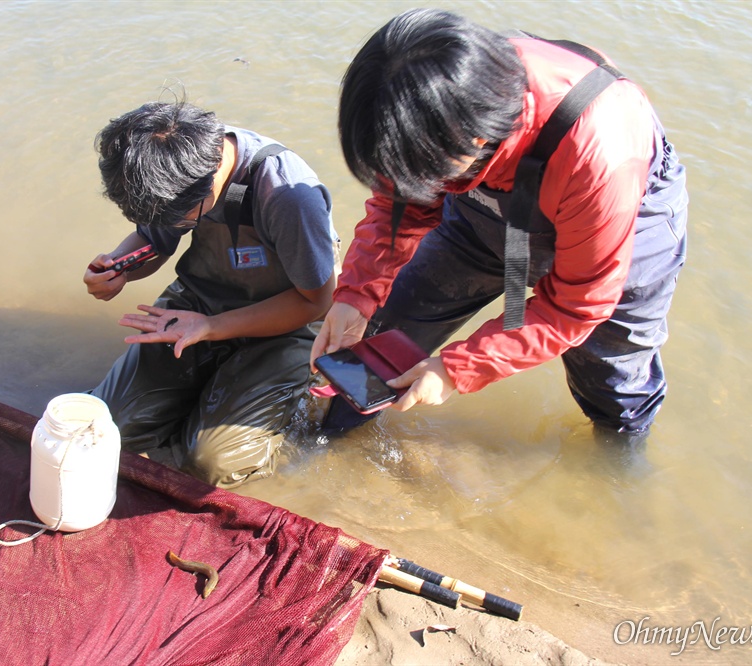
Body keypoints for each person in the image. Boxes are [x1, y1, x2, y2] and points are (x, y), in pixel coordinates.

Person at [311, 9, 688, 438]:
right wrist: (355, 295)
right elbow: (399, 207)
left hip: (616, 229)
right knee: (387, 334)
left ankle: (617, 463)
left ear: (472, 143)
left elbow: (573, 308)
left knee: (611, 382)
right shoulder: (425, 113)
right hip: (483, 217)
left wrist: (454, 370)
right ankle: (334, 437)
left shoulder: (601, 152)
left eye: (416, 171)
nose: (403, 182)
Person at [85, 100, 338, 487]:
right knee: (108, 429)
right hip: (199, 301)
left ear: (208, 184)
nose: (162, 224)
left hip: (288, 319)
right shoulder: (169, 168)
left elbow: (317, 301)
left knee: (211, 465)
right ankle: (199, 403)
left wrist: (213, 327)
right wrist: (120, 267)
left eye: (175, 217)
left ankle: (285, 425)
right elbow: (154, 242)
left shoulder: (288, 196)